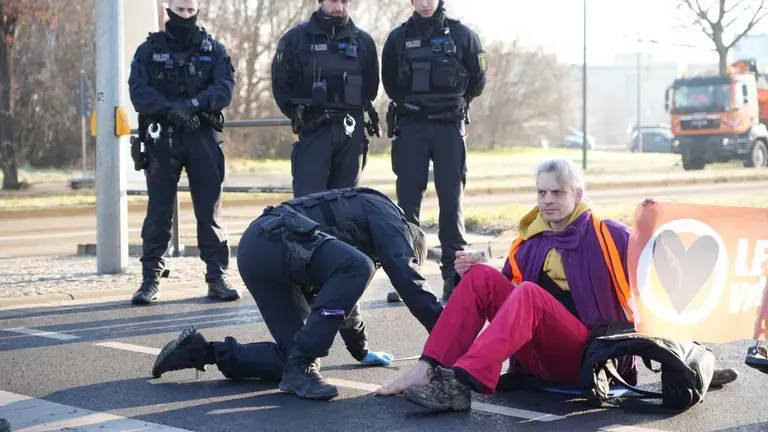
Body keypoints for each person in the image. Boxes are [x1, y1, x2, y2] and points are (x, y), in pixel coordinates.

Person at [375, 158, 739, 411]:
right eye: (541, 193)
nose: (547, 200)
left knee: (529, 294)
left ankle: (460, 384)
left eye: (557, 193)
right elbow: (501, 308)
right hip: (535, 356)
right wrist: (468, 274)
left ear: (577, 196)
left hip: (590, 354)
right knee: (484, 278)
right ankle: (427, 369)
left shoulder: (610, 234)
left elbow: (664, 289)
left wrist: (696, 358)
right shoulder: (526, 244)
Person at [152, 187, 444, 401]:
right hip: (273, 242)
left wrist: (361, 350)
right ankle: (303, 365)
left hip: (259, 251)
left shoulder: (355, 245)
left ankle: (200, 350)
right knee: (359, 267)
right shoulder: (389, 216)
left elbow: (341, 298)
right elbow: (406, 277)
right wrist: (452, 335)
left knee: (292, 357)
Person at [127, 0, 240, 305]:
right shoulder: (148, 50)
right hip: (163, 136)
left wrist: (192, 105)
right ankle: (150, 279)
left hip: (202, 134)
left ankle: (216, 277)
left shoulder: (213, 49)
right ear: (169, 10)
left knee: (209, 211)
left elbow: (225, 87)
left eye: (191, 11)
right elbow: (138, 91)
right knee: (159, 212)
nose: (186, 16)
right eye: (181, 10)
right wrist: (170, 110)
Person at [381, 0, 487, 303]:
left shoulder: (463, 35)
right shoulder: (398, 38)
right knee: (407, 206)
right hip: (411, 127)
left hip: (449, 128)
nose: (425, 3)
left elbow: (477, 82)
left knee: (451, 204)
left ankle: (453, 278)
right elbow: (390, 82)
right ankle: (406, 276)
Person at [271, 0, 381, 199]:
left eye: (344, 1)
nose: (339, 7)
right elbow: (280, 84)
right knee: (308, 201)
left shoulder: (363, 41)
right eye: (333, 1)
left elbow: (371, 86)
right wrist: (298, 114)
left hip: (350, 131)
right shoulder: (295, 39)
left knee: (348, 201)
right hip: (314, 127)